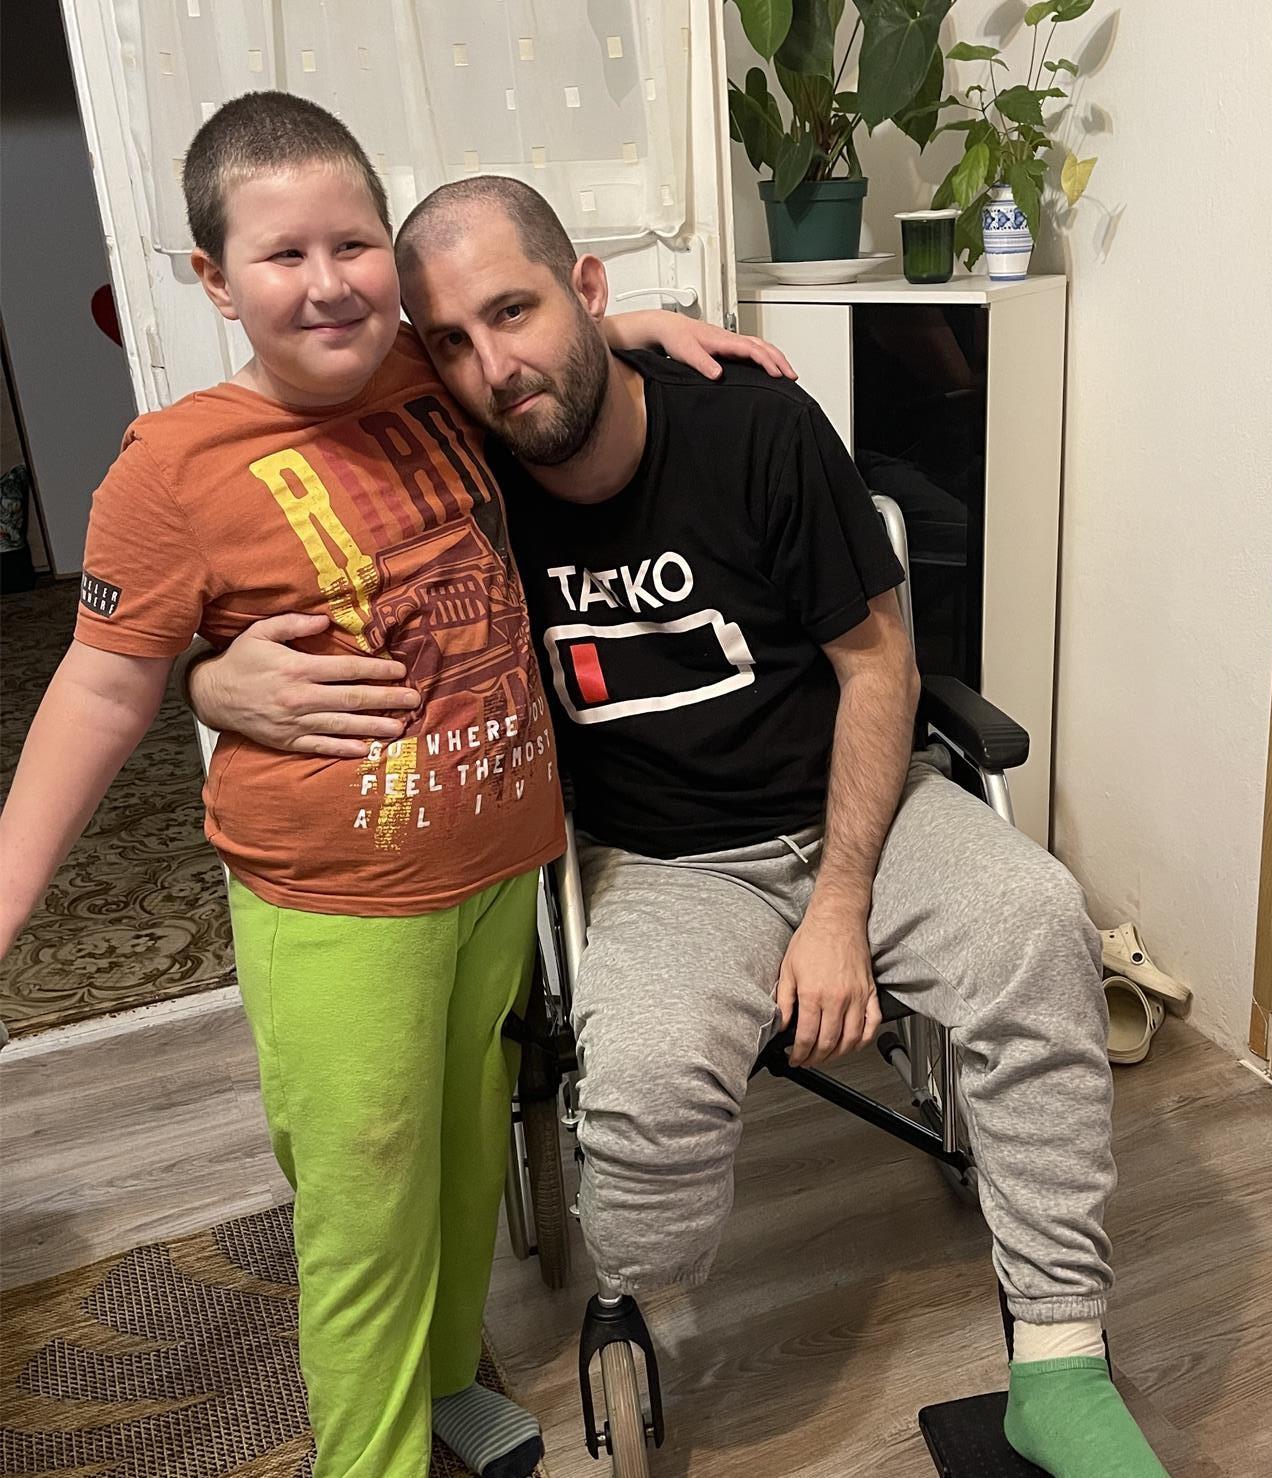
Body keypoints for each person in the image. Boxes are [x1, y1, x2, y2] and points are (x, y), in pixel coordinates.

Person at [191, 176, 1171, 1477]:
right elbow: (274, 553)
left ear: (587, 290)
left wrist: (839, 907)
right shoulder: (461, 485)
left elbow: (877, 662)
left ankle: (1060, 1363)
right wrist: (207, 680)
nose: (496, 367)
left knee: (1036, 924)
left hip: (856, 812)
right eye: (455, 342)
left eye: (517, 312)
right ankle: (637, 1289)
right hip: (660, 863)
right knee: (644, 1112)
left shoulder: (758, 429)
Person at [0, 96, 790, 1478]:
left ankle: (447, 1378)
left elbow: (541, 343)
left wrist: (653, 326)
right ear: (215, 282)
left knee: (464, 1158)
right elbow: (100, 688)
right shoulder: (172, 469)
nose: (327, 283)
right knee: (363, 1208)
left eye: (353, 243)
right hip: (335, 909)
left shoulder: (431, 371)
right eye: (282, 255)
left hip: (494, 875)